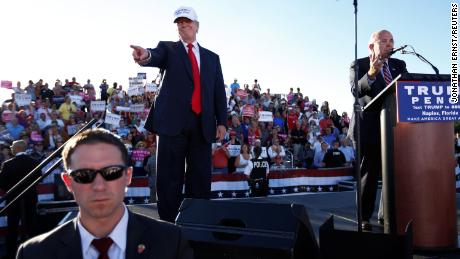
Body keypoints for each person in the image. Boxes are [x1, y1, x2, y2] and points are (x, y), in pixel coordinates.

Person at [16, 129, 192, 259]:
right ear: (68, 182)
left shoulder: (171, 242)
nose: (99, 186)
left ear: (128, 176)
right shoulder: (34, 253)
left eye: (112, 172)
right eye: (84, 175)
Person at [130, 6, 227, 222]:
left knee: (200, 177)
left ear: (197, 26)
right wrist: (145, 55)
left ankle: (197, 221)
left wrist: (222, 121)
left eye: (187, 21)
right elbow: (153, 55)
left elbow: (219, 92)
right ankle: (168, 224)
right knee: (168, 177)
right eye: (179, 22)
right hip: (171, 123)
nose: (183, 25)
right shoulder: (168, 49)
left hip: (202, 124)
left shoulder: (212, 58)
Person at [349, 29, 408, 230]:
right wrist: (372, 73)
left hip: (394, 127)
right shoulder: (359, 64)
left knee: (392, 172)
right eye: (383, 41)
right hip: (368, 128)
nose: (389, 44)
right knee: (370, 174)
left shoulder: (399, 65)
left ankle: (386, 215)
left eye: (391, 40)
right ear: (371, 46)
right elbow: (356, 90)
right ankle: (364, 218)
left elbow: (406, 89)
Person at [0, 140, 40, 259]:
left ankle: (11, 253)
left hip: (13, 199)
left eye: (12, 146)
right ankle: (35, 251)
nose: (11, 148)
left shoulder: (8, 164)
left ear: (17, 148)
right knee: (31, 224)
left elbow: (1, 182)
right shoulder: (34, 162)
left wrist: (12, 189)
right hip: (30, 197)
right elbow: (39, 177)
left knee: (12, 226)